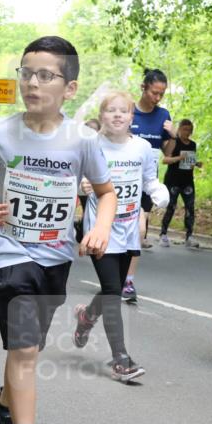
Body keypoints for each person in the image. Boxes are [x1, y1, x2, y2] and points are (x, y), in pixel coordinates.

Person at [0, 36, 115, 424]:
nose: (32, 83)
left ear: (69, 89)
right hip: (10, 253)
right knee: (25, 348)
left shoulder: (84, 140)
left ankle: (2, 405)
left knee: (28, 343)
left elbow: (106, 192)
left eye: (45, 76)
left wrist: (100, 227)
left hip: (56, 257)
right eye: (26, 73)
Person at [72, 91, 169, 382]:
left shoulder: (141, 148)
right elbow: (72, 179)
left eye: (123, 111)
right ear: (101, 116)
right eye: (110, 111)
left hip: (128, 229)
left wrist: (158, 192)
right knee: (113, 291)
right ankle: (121, 359)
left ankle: (86, 317)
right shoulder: (90, 146)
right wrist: (83, 187)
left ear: (131, 118)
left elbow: (149, 180)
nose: (117, 115)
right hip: (99, 229)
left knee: (110, 289)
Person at [122, 68, 173, 302]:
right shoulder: (128, 112)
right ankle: (114, 274)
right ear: (144, 88)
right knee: (116, 232)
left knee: (139, 230)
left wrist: (171, 136)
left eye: (161, 94)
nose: (158, 98)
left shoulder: (163, 115)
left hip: (144, 184)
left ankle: (128, 282)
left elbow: (167, 154)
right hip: (121, 180)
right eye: (155, 92)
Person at [159, 118, 203, 247]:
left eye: (189, 130)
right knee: (171, 207)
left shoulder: (192, 144)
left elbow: (189, 161)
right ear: (179, 129)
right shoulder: (174, 142)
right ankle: (163, 234)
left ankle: (189, 236)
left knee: (190, 208)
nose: (187, 132)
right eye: (185, 129)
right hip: (173, 180)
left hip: (187, 180)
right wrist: (179, 158)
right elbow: (165, 160)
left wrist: (196, 164)